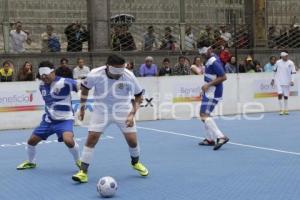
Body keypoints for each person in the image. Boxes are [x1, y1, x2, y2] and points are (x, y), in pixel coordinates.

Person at [72, 54, 149, 183]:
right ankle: (83, 172)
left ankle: (135, 163)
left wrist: (131, 114)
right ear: (108, 66)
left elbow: (138, 96)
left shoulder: (129, 75)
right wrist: (82, 108)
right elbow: (85, 89)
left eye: (121, 70)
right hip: (101, 110)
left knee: (132, 141)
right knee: (92, 138)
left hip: (123, 110)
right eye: (116, 71)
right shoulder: (95, 73)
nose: (119, 74)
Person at [16, 61, 80, 170]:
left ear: (53, 72)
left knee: (68, 141)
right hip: (48, 120)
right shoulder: (42, 86)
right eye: (42, 76)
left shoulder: (65, 82)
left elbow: (82, 86)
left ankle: (79, 161)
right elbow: (49, 102)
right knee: (31, 141)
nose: (44, 78)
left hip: (64, 120)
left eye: (46, 75)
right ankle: (31, 162)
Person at [198, 47, 229, 150]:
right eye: (200, 53)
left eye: (203, 52)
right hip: (209, 91)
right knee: (206, 115)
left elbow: (223, 77)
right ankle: (210, 139)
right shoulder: (209, 59)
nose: (201, 54)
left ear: (209, 50)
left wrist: (208, 85)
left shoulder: (213, 61)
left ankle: (221, 137)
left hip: (213, 92)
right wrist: (206, 86)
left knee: (203, 114)